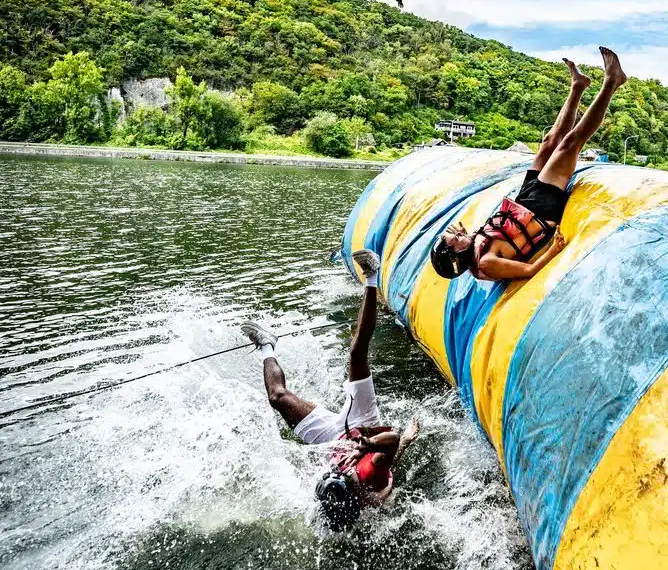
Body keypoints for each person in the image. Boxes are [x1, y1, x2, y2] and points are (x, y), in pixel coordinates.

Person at [241, 249, 419, 531]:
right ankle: (373, 275)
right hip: (364, 424)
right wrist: (369, 445)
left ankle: (266, 345)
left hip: (333, 438)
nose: (340, 470)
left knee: (277, 397)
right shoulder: (370, 479)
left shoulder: (329, 498)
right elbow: (392, 439)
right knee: (357, 353)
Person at [429, 46, 627, 283]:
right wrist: (554, 249)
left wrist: (465, 235)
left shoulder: (473, 248)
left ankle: (578, 86)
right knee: (569, 143)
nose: (459, 233)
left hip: (525, 201)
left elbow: (497, 233)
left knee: (549, 142)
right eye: (456, 240)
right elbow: (528, 271)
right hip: (542, 209)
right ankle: (612, 82)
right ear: (458, 256)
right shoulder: (485, 263)